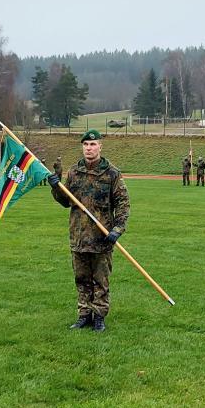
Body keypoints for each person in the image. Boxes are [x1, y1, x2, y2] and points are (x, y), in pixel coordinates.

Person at [48, 129, 130, 333]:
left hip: (102, 238)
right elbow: (66, 202)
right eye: (85, 145)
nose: (89, 148)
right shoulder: (74, 172)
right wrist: (56, 186)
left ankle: (99, 316)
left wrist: (117, 229)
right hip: (78, 236)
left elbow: (123, 203)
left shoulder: (112, 173)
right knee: (82, 279)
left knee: (100, 280)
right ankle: (84, 315)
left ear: (100, 146)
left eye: (93, 145)